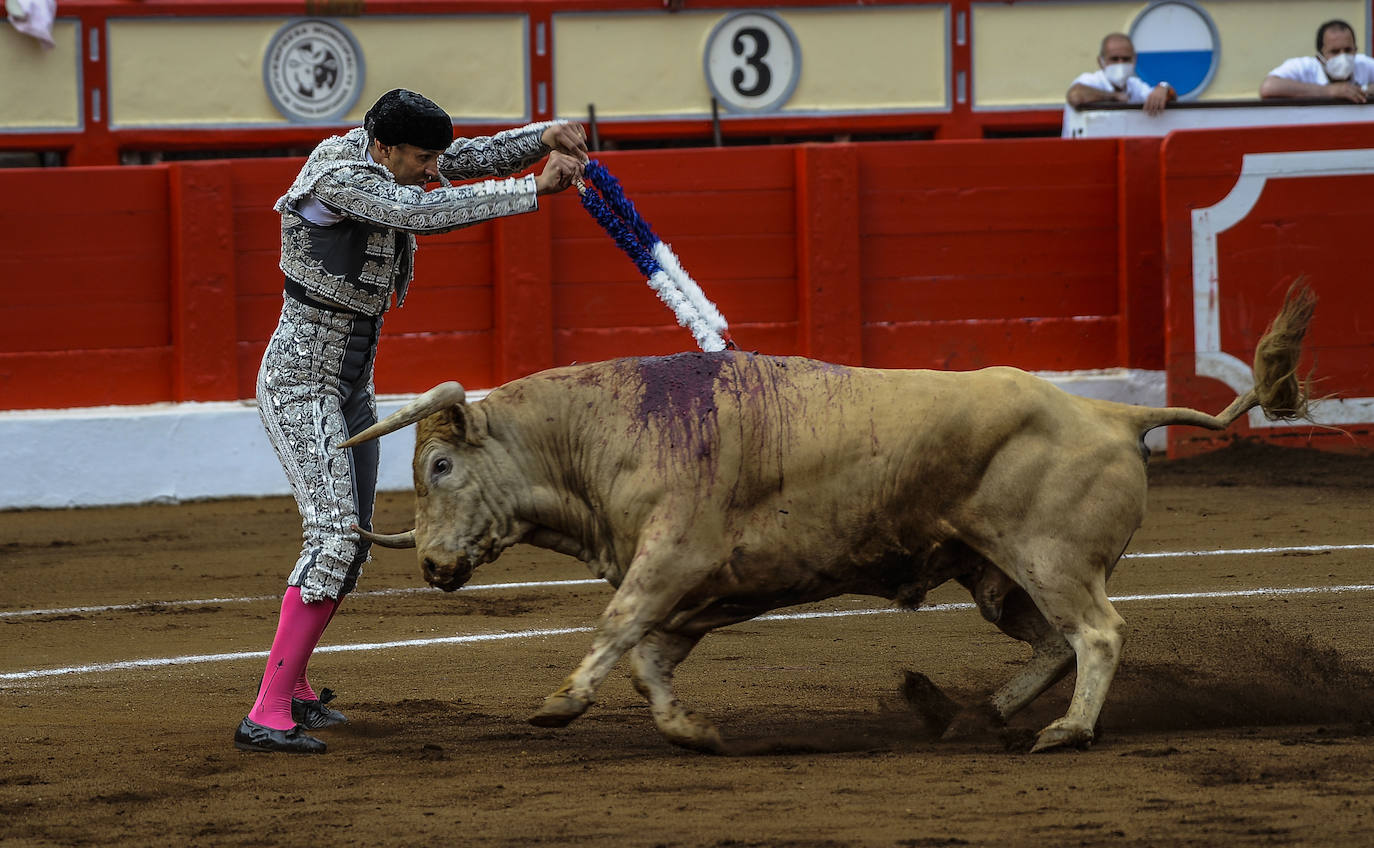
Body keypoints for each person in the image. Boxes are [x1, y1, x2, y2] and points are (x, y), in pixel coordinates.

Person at [234, 88, 587, 754]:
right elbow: (417, 212)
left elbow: (464, 159)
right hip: (300, 384)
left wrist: (545, 134)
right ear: (387, 148)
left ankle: (297, 688)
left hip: (349, 387)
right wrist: (532, 190)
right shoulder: (344, 176)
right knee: (336, 536)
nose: (434, 167)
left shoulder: (393, 159)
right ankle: (267, 710)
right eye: (422, 157)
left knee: (353, 540)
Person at [1063, 33, 1175, 137]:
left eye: (1126, 59)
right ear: (1100, 61)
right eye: (1114, 59)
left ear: (1134, 60)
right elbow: (1075, 96)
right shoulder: (1090, 80)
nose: (1120, 63)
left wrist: (1164, 88)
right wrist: (1113, 96)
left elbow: (1165, 97)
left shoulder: (1134, 85)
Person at [1259, 19, 1374, 103]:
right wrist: (1330, 91)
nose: (1342, 56)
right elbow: (1268, 87)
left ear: (1355, 50)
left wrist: (1365, 90)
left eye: (1348, 50)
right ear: (1320, 58)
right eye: (1335, 52)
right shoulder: (1303, 67)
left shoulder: (1363, 64)